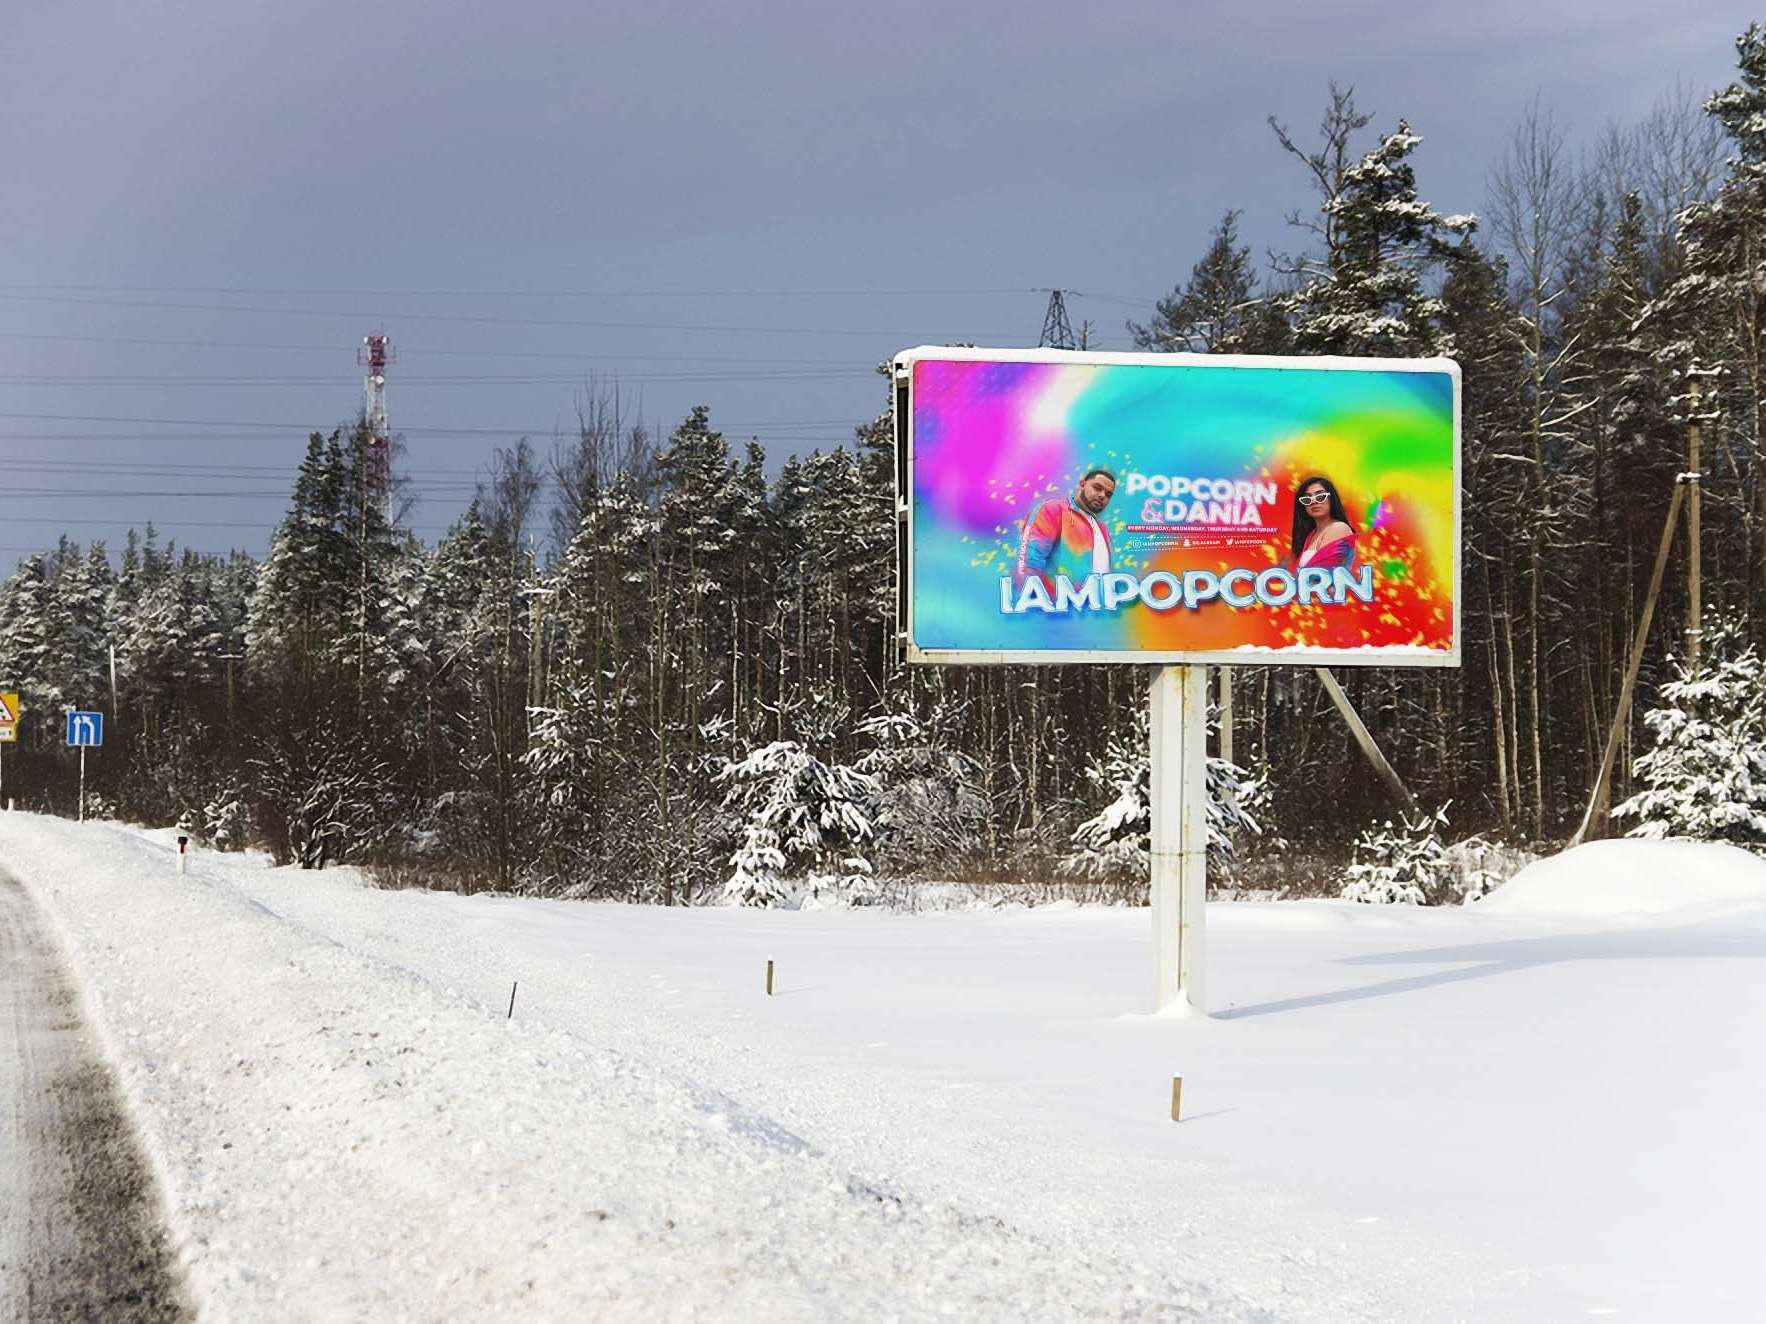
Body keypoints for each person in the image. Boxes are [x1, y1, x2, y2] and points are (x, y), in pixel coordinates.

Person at [1016, 467, 1116, 592]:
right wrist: (1033, 601)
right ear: (1082, 484)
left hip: (1096, 608)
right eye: (1097, 488)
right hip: (1056, 607)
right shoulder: (1053, 510)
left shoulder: (1103, 530)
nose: (1102, 495)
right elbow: (1028, 561)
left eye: (1108, 494)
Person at [1290, 474, 1356, 570]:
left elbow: (1322, 573)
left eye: (1320, 496)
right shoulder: (1310, 535)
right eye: (1307, 499)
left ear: (1331, 499)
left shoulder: (1339, 528)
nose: (1314, 501)